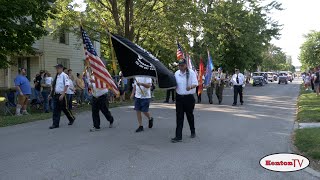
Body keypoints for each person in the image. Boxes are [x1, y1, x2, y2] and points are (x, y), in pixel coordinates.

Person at [171, 59, 198, 143]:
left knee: (189, 116)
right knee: (179, 117)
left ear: (186, 65)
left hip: (188, 98)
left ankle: (192, 131)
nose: (180, 67)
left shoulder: (191, 73)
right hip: (179, 98)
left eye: (182, 65)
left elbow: (196, 83)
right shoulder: (176, 73)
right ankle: (178, 136)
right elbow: (174, 84)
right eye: (179, 65)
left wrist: (190, 87)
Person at [49, 64, 75, 129]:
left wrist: (63, 94)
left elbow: (66, 85)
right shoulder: (57, 76)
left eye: (57, 68)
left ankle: (71, 118)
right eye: (56, 68)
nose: (56, 69)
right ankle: (55, 124)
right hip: (56, 94)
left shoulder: (64, 75)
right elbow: (54, 86)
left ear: (61, 68)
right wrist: (51, 94)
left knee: (65, 108)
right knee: (56, 109)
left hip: (62, 95)